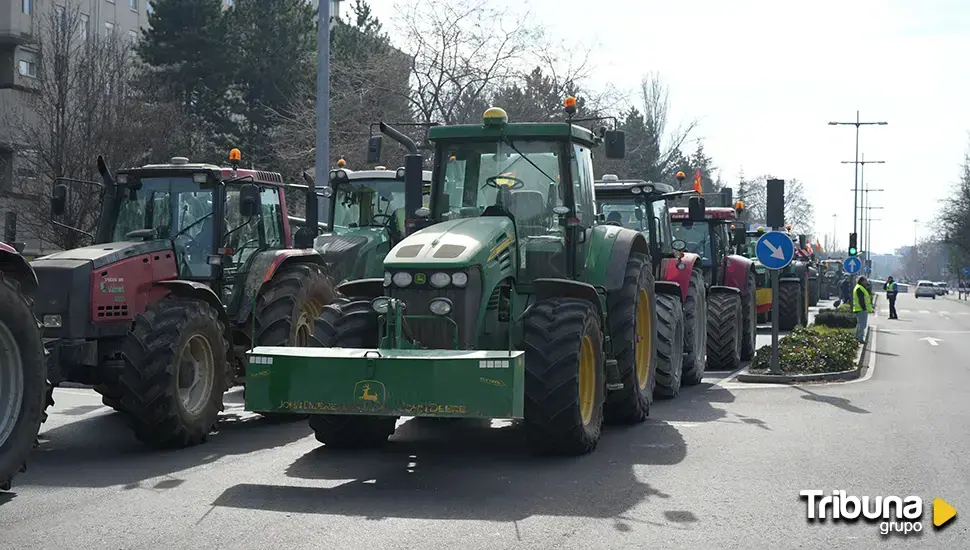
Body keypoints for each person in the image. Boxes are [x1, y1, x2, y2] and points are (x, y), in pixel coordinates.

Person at [853, 276, 874, 343]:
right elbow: (861, 300)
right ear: (862, 281)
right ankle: (860, 339)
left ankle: (857, 337)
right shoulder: (859, 288)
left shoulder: (859, 287)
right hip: (861, 309)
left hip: (859, 308)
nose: (866, 282)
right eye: (865, 281)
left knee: (859, 324)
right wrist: (864, 308)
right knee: (862, 325)